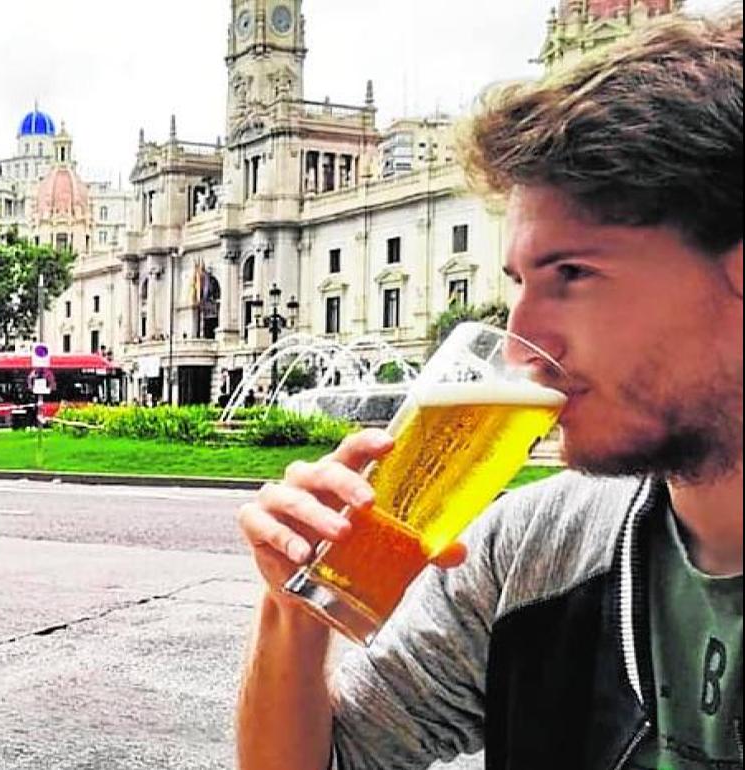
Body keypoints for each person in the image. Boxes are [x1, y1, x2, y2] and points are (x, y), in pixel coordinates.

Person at [236, 13, 742, 770]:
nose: (519, 346)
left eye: (573, 274)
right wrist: (292, 614)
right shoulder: (530, 548)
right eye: (520, 283)